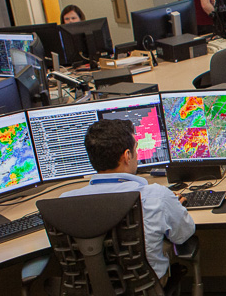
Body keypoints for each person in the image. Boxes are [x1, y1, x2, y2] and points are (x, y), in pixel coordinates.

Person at [60, 120, 195, 281]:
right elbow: (182, 235)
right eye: (135, 149)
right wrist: (173, 208)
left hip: (88, 288)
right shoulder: (156, 196)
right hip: (145, 287)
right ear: (127, 156)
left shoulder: (65, 203)